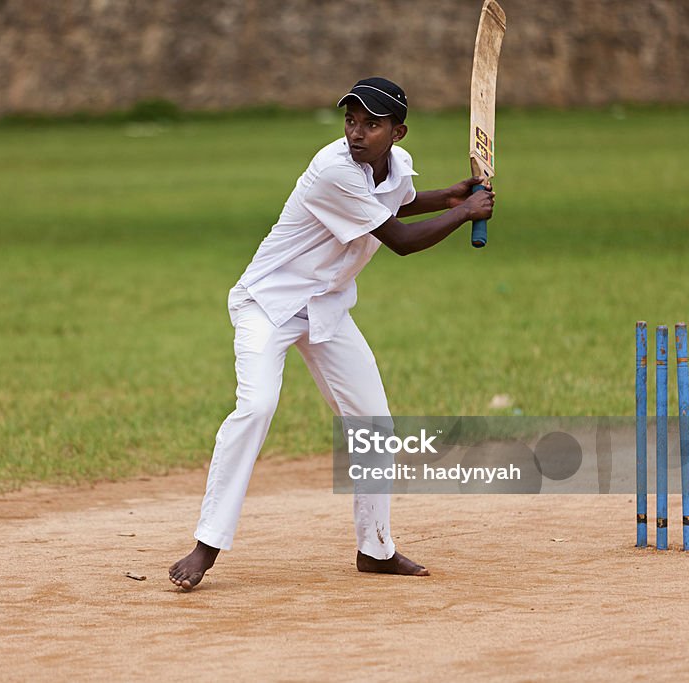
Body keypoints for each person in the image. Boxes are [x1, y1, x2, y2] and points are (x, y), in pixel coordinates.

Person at [169, 77, 495, 590]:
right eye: (351, 121)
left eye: (372, 124)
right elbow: (401, 241)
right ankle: (205, 546)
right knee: (256, 408)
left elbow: (395, 203)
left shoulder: (396, 167)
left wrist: (447, 195)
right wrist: (465, 212)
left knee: (373, 422)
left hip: (326, 309)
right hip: (268, 305)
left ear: (398, 132)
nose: (357, 133)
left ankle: (375, 550)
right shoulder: (333, 169)